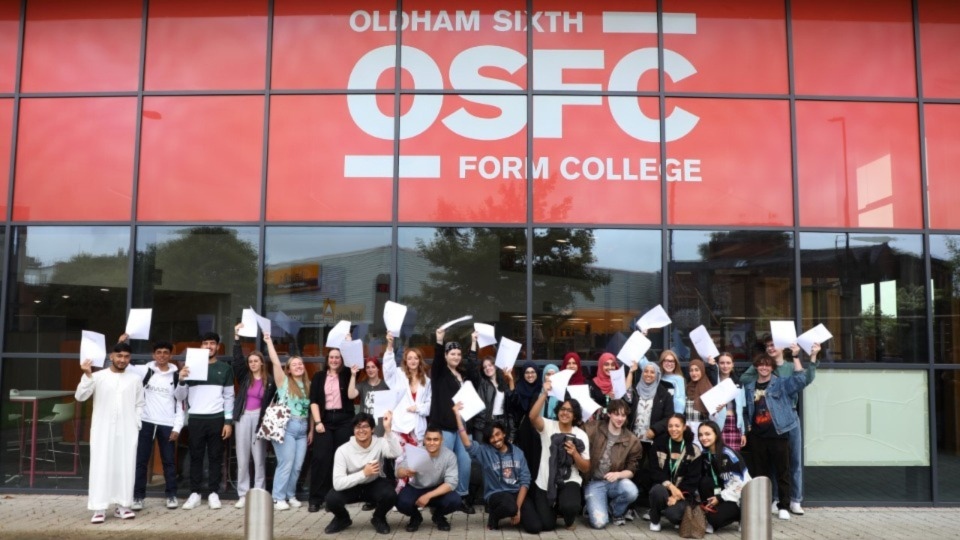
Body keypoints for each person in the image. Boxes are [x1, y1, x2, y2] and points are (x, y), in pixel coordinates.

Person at [740, 334, 819, 515]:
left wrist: (808, 357)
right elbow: (745, 381)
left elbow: (804, 380)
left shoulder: (789, 369)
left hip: (788, 420)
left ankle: (794, 500)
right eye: (768, 345)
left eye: (774, 345)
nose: (771, 348)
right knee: (775, 464)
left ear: (783, 347)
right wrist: (761, 364)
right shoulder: (760, 371)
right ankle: (775, 499)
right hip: (767, 427)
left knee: (792, 462)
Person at [76, 342, 145, 524]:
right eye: (119, 356)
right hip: (102, 429)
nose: (122, 360)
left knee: (125, 465)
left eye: (126, 357)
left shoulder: (135, 379)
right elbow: (80, 396)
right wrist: (87, 374)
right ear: (111, 356)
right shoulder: (97, 376)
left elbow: (140, 404)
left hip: (127, 429)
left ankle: (123, 506)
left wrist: (136, 423)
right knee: (101, 465)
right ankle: (99, 508)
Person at [175, 332, 235, 510]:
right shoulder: (190, 367)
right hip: (196, 419)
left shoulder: (225, 369)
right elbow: (180, 397)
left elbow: (229, 397)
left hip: (217, 418)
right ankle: (194, 493)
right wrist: (181, 379)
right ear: (200, 346)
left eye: (212, 343)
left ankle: (214, 493)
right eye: (205, 343)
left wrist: (228, 422)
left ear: (217, 347)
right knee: (196, 456)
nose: (209, 346)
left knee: (216, 457)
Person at [524, 379, 591, 532]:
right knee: (547, 525)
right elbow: (532, 417)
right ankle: (552, 509)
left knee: (570, 506)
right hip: (545, 481)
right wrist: (544, 393)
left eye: (569, 410)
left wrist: (574, 453)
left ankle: (568, 516)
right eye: (562, 409)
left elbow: (586, 467)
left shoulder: (580, 434)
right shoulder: (548, 426)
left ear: (575, 415)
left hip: (569, 479)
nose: (565, 412)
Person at [454, 404, 531, 531]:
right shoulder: (485, 451)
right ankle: (494, 517)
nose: (496, 439)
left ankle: (514, 512)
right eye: (491, 437)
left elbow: (525, 480)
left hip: (515, 493)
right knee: (510, 507)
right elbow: (467, 443)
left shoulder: (517, 452)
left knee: (534, 526)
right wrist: (458, 417)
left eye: (498, 434)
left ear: (504, 434)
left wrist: (518, 508)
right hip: (497, 494)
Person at [323, 412, 402, 535]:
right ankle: (342, 519)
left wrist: (388, 429)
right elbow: (338, 483)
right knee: (331, 499)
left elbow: (396, 453)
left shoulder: (380, 442)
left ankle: (378, 518)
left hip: (373, 483)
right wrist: (363, 473)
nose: (361, 430)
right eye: (357, 427)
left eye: (365, 426)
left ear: (372, 430)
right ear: (353, 430)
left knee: (390, 494)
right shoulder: (343, 450)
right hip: (352, 485)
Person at [430, 327, 481, 514]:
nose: (456, 356)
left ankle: (461, 497)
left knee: (465, 462)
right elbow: (436, 361)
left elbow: (474, 369)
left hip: (461, 427)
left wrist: (474, 344)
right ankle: (438, 500)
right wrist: (439, 339)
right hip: (444, 427)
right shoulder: (439, 374)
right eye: (452, 353)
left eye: (459, 353)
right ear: (445, 355)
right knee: (443, 465)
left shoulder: (463, 376)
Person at [129, 337, 183, 511]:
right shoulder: (145, 371)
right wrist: (123, 340)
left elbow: (181, 403)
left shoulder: (177, 375)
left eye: (166, 353)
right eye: (158, 352)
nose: (162, 356)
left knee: (169, 462)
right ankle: (138, 497)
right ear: (153, 355)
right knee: (141, 461)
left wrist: (177, 427)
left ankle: (171, 495)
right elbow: (122, 364)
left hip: (167, 424)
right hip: (145, 422)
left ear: (170, 355)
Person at [231, 323, 277, 509]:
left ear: (262, 363)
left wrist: (268, 341)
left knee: (259, 458)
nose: (252, 364)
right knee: (242, 458)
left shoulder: (270, 381)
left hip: (260, 419)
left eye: (256, 361)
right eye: (250, 361)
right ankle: (243, 494)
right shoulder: (244, 377)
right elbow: (236, 360)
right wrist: (236, 338)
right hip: (243, 417)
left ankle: (258, 493)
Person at [264, 334, 311, 510]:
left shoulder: (308, 385)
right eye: (294, 364)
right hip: (286, 426)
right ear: (289, 369)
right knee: (286, 463)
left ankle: (290, 495)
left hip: (303, 426)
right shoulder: (283, 381)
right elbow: (276, 362)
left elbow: (311, 410)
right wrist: (269, 341)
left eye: (301, 363)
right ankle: (278, 497)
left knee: (297, 466)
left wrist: (311, 430)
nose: (299, 366)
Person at [307, 343, 356, 512]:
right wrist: (318, 422)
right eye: (332, 357)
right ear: (327, 360)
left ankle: (333, 499)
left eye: (338, 357)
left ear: (342, 360)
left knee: (340, 459)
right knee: (321, 458)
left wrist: (348, 341)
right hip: (325, 419)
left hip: (344, 420)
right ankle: (315, 498)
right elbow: (313, 401)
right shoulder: (319, 376)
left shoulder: (347, 374)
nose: (334, 360)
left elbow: (353, 360)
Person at [624, 361, 674, 518]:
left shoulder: (663, 394)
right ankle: (630, 507)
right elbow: (625, 403)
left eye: (652, 372)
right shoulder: (635, 391)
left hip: (655, 440)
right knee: (634, 471)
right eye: (646, 371)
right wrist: (631, 372)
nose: (648, 375)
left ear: (657, 375)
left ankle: (653, 509)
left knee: (653, 473)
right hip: (634, 440)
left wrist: (655, 429)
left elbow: (669, 417)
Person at [582, 399, 642, 529]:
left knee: (631, 491)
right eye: (616, 414)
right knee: (599, 523)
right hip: (594, 482)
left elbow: (633, 468)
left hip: (616, 482)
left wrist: (619, 474)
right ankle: (596, 506)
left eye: (623, 415)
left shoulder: (632, 440)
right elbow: (578, 434)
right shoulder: (594, 428)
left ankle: (615, 511)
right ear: (609, 414)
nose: (620, 418)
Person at [394, 426, 462, 532]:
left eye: (436, 439)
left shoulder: (449, 456)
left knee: (455, 500)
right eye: (429, 439)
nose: (431, 443)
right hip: (416, 487)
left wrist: (428, 496)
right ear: (424, 440)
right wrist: (406, 472)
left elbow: (451, 483)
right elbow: (398, 472)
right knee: (400, 502)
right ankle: (416, 517)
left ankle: (438, 516)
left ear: (442, 440)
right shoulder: (417, 452)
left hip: (437, 488)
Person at [647, 414, 702, 532]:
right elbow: (654, 471)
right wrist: (671, 487)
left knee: (674, 515)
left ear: (684, 427)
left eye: (677, 426)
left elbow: (693, 479)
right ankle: (655, 520)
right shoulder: (658, 445)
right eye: (670, 426)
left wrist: (677, 495)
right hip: (663, 487)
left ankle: (677, 518)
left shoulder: (693, 450)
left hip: (683, 493)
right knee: (656, 490)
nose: (673, 429)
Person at [697, 421, 751, 534]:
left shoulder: (728, 455)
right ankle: (710, 513)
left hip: (739, 498)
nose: (703, 438)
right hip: (723, 492)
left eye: (707, 434)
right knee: (704, 482)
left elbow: (741, 485)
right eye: (700, 435)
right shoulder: (706, 454)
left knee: (714, 519)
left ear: (716, 434)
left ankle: (743, 515)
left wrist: (720, 498)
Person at [382, 332, 432, 444]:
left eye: (416, 358)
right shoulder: (398, 375)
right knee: (400, 461)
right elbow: (388, 369)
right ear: (405, 361)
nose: (413, 361)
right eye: (409, 358)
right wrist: (390, 346)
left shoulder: (427, 381)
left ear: (420, 361)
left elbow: (429, 406)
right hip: (400, 427)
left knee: (416, 460)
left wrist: (417, 408)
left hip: (417, 429)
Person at [506, 361, 542, 485]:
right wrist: (511, 381)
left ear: (537, 373)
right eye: (527, 372)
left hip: (538, 430)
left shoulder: (542, 388)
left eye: (533, 372)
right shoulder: (519, 387)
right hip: (524, 431)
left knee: (538, 460)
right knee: (524, 460)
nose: (530, 375)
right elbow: (513, 405)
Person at [713, 352, 746, 452]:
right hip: (717, 423)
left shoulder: (738, 383)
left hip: (734, 424)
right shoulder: (713, 382)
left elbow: (742, 409)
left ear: (733, 364)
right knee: (718, 456)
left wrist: (743, 432)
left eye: (728, 363)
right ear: (718, 364)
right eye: (722, 363)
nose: (725, 366)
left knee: (734, 458)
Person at [349, 356, 388, 435]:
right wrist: (353, 375)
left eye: (373, 367)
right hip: (364, 425)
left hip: (380, 426)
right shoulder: (362, 385)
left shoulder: (385, 385)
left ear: (378, 368)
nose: (370, 370)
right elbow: (351, 395)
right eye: (368, 367)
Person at [588, 352, 633, 418]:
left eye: (612, 364)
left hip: (618, 422)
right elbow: (591, 407)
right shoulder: (593, 383)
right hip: (599, 425)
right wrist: (608, 397)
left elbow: (628, 401)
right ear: (601, 366)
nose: (610, 367)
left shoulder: (620, 381)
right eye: (606, 364)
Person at [685, 358, 714, 423]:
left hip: (704, 427)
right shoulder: (687, 388)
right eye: (691, 370)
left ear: (702, 370)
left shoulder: (708, 388)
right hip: (689, 428)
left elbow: (714, 414)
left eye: (696, 370)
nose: (694, 373)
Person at [658, 350, 686, 415]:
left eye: (672, 361)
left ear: (675, 363)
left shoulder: (678, 379)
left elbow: (679, 400)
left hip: (672, 416)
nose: (669, 364)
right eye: (666, 360)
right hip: (658, 416)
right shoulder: (657, 377)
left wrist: (677, 417)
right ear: (662, 362)